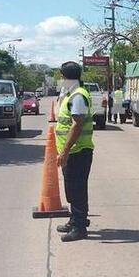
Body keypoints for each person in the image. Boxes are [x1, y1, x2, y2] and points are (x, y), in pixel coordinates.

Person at [55, 61, 95, 242]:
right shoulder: (72, 94)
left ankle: (80, 227)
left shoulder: (78, 96)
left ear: (66, 77)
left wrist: (64, 151)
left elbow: (77, 124)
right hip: (74, 151)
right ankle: (75, 220)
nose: (60, 80)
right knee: (71, 188)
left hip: (78, 151)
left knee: (77, 189)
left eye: (61, 77)